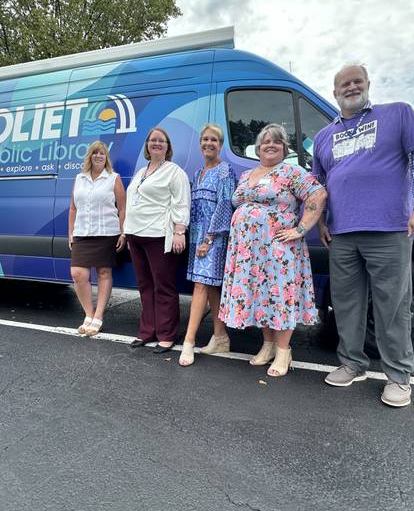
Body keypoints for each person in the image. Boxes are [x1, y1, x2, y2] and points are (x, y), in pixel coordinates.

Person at [313, 64, 414, 408]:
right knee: (346, 303)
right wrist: (321, 220)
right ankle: (352, 363)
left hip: (388, 229)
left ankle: (398, 376)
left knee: (393, 305)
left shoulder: (397, 114)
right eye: (344, 84)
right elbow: (320, 184)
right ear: (335, 92)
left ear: (367, 85)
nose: (351, 87)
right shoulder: (324, 136)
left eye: (357, 82)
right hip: (342, 234)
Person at [218, 123, 327, 377]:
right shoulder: (247, 174)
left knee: (280, 297)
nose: (270, 145)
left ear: (284, 147)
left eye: (276, 141)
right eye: (265, 141)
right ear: (257, 148)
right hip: (250, 252)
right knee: (262, 295)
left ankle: (283, 351)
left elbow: (318, 194)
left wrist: (300, 229)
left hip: (278, 249)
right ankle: (267, 346)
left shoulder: (291, 171)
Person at [124, 127, 190, 353]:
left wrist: (180, 231)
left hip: (159, 235)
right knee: (144, 285)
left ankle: (166, 335)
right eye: (153, 140)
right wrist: (125, 231)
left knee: (164, 286)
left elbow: (181, 202)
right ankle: (146, 331)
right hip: (135, 234)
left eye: (161, 141)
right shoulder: (141, 171)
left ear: (168, 147)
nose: (157, 143)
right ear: (147, 146)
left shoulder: (174, 171)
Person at [178, 124, 238, 367]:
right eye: (205, 139)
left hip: (213, 238)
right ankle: (221, 337)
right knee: (212, 288)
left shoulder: (225, 171)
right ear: (200, 143)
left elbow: (225, 206)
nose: (209, 143)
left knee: (201, 286)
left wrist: (209, 239)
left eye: (214, 139)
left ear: (220, 144)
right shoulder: (197, 173)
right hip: (196, 238)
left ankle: (188, 342)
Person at [68, 141, 126, 336]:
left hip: (107, 232)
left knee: (103, 273)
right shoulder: (79, 178)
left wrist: (122, 232)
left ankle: (98, 316)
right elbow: (73, 208)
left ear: (106, 157)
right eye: (95, 153)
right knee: (78, 274)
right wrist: (71, 233)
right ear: (90, 156)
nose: (98, 156)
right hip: (82, 232)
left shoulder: (113, 178)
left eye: (102, 153)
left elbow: (122, 208)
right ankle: (88, 314)